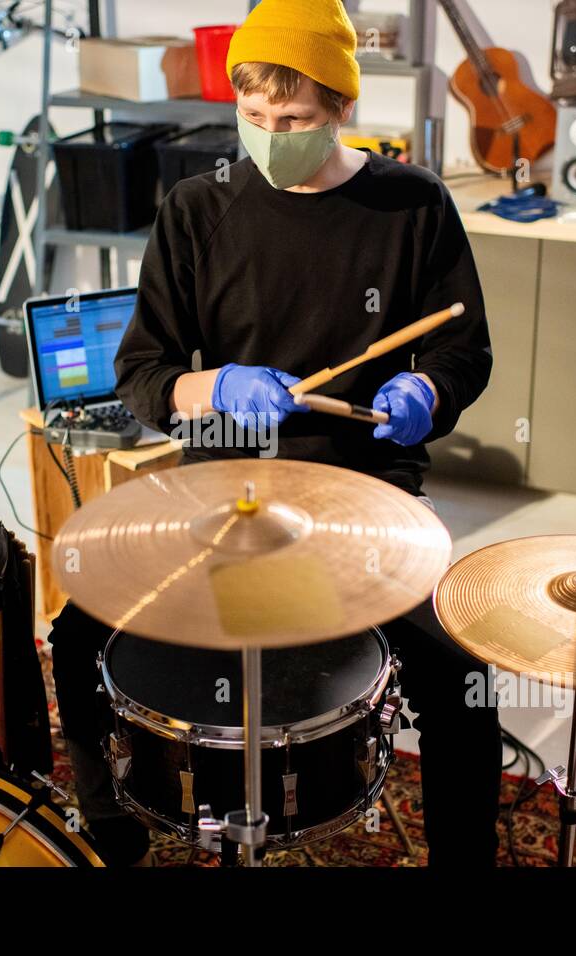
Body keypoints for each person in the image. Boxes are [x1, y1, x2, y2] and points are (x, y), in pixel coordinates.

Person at [48, 0, 501, 866]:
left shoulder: (412, 205)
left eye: (292, 120)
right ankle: (107, 826)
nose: (269, 136)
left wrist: (427, 389)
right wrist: (214, 383)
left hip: (366, 496)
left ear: (341, 108)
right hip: (223, 494)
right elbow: (141, 379)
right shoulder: (196, 209)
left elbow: (464, 348)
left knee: (465, 678)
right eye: (252, 117)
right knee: (74, 635)